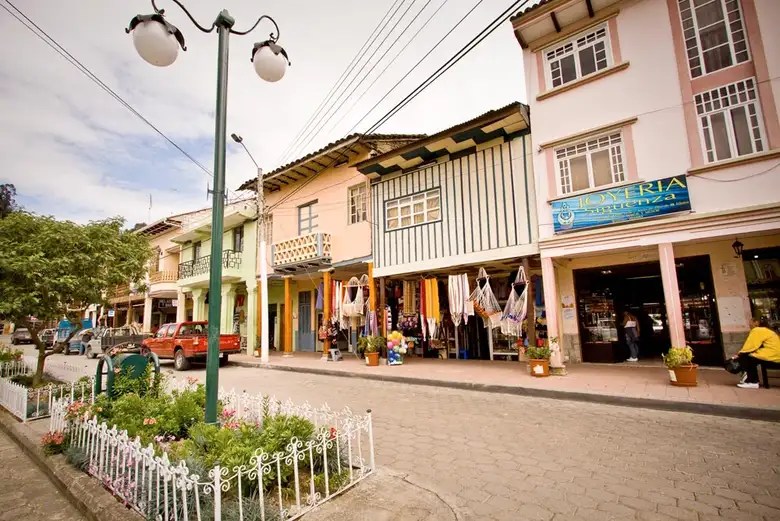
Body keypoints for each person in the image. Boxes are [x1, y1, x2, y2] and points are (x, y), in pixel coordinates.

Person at [731, 317, 780, 389]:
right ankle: (749, 378)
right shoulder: (768, 330)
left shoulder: (757, 330)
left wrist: (739, 355)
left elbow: (750, 346)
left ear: (756, 322)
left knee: (747, 358)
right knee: (749, 357)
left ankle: (752, 381)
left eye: (750, 322)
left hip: (772, 355)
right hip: (775, 355)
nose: (749, 324)